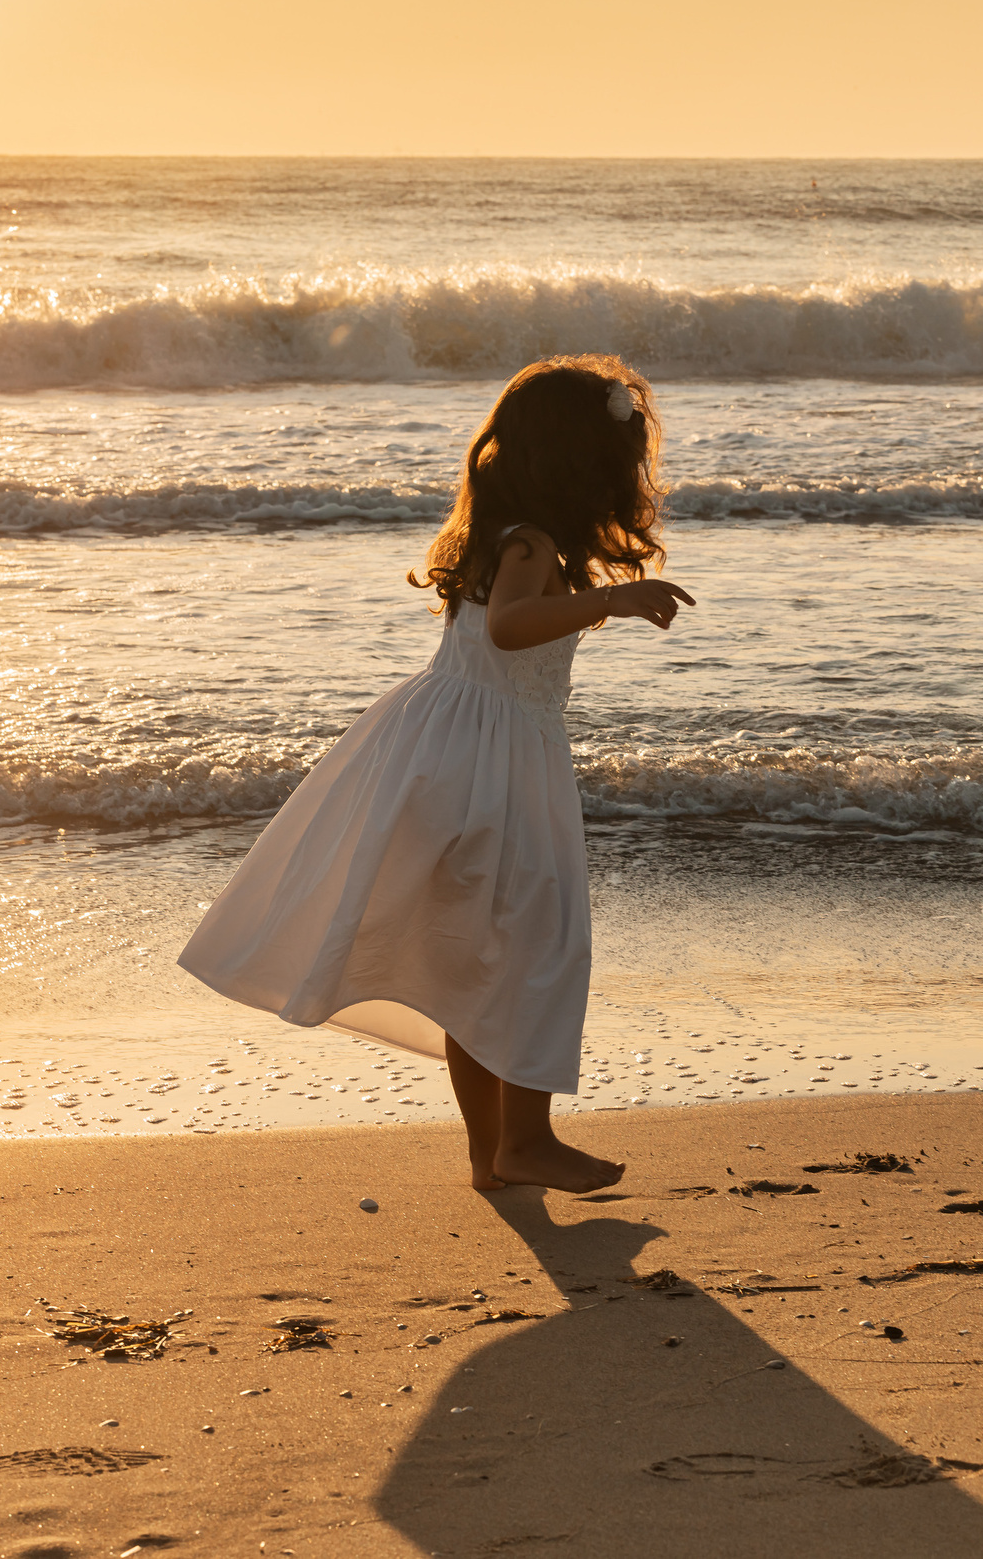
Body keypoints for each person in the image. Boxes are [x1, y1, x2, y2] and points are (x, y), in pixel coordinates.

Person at [177, 355, 693, 1192]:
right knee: (542, 944)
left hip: (449, 759)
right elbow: (511, 630)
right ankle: (524, 1139)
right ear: (575, 467)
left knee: (471, 961)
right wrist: (611, 602)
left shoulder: (507, 537)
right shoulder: (529, 543)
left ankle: (492, 1153)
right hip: (493, 772)